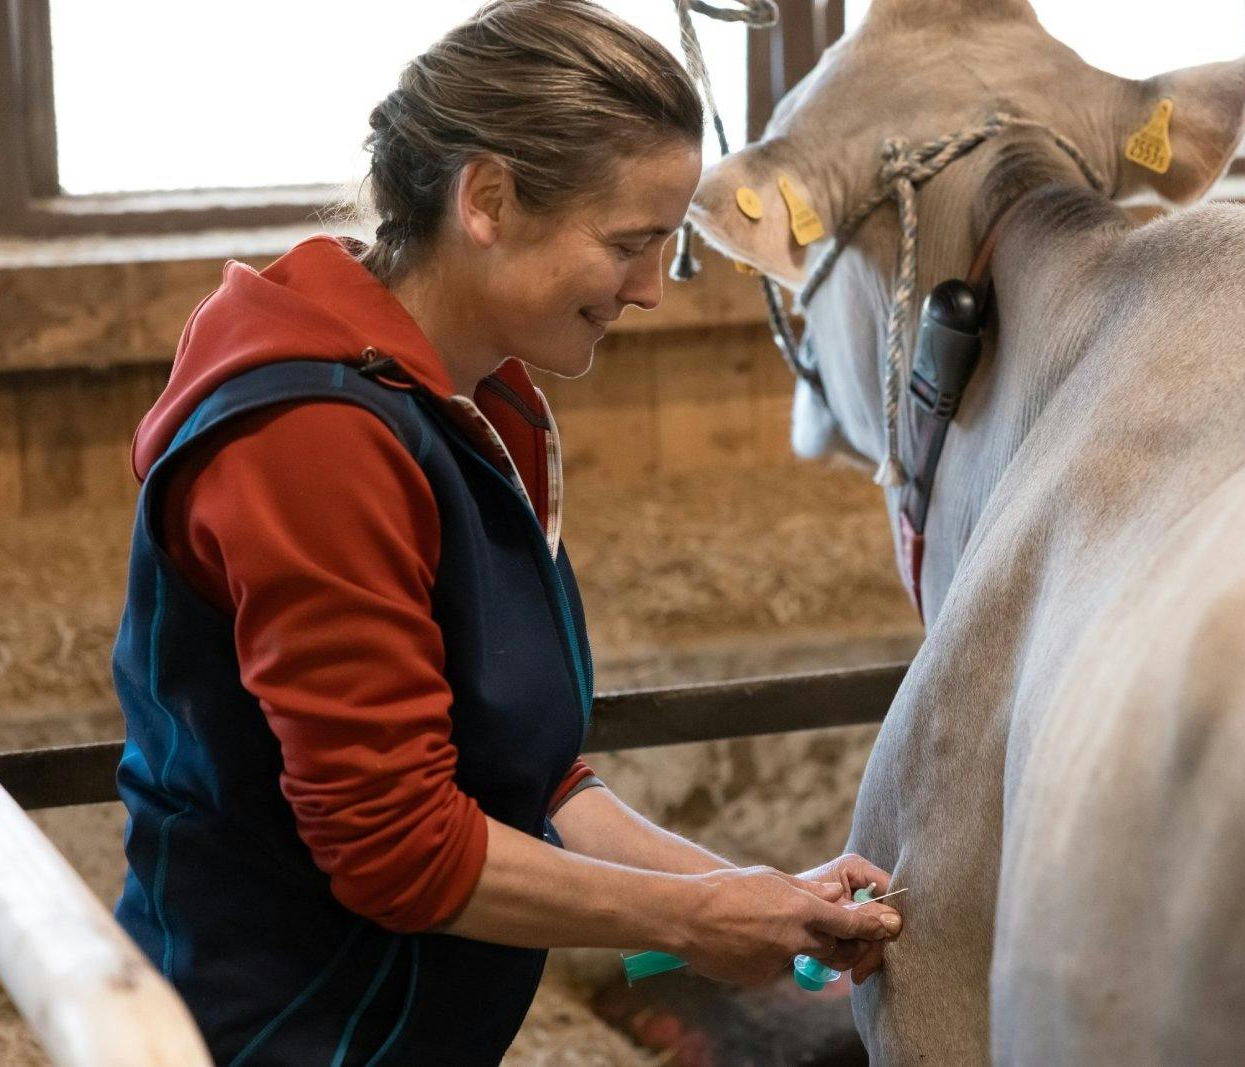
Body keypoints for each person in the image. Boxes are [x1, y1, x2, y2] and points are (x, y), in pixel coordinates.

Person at [110, 2, 901, 1063]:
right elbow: (397, 849)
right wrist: (690, 920)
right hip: (292, 1028)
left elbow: (521, 773)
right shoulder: (315, 439)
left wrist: (744, 893)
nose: (650, 291)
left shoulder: (477, 396)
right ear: (486, 199)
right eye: (629, 244)